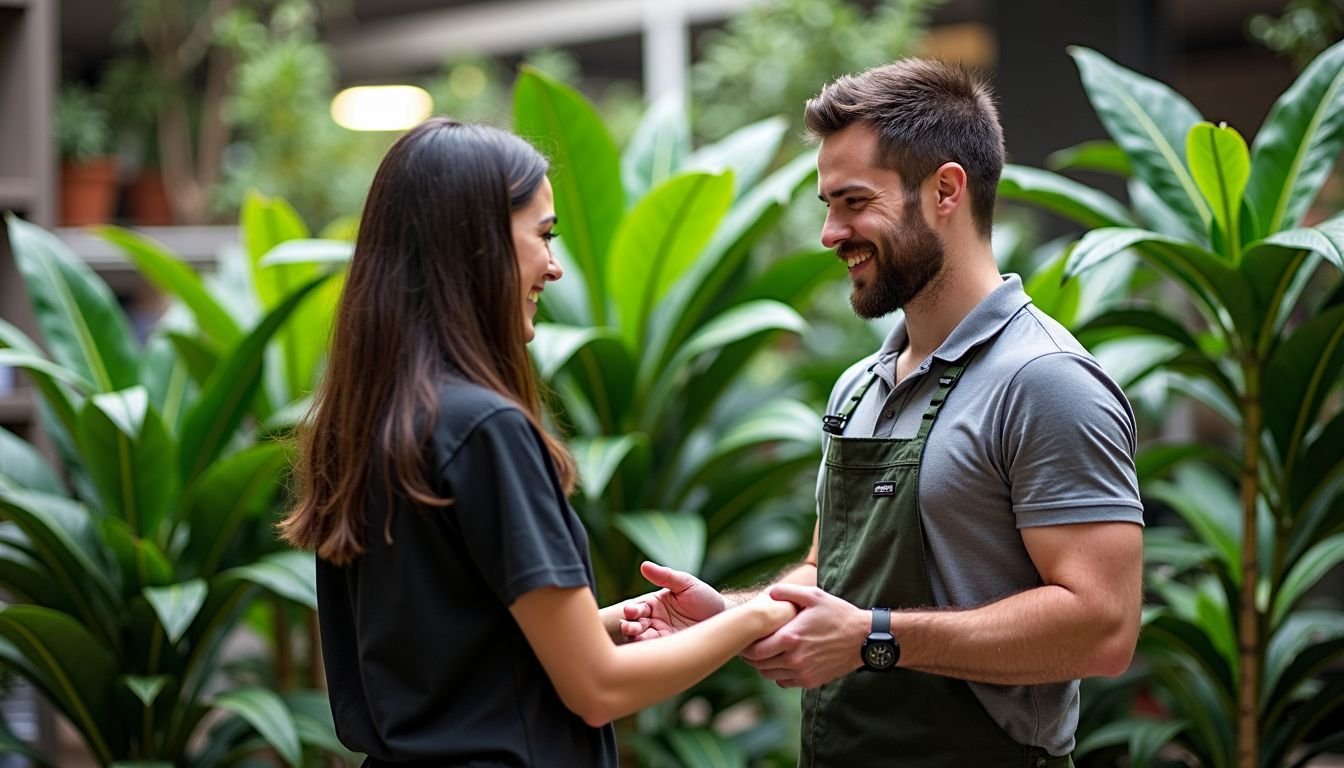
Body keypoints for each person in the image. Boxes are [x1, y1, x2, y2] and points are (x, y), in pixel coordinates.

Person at [620, 59, 1145, 767]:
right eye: (827, 205)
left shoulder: (1044, 380)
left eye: (854, 202)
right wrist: (736, 617)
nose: (831, 233)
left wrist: (877, 637)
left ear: (946, 190)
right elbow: (830, 571)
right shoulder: (858, 388)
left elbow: (1102, 629)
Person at [279, 118, 796, 767]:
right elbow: (598, 689)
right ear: (476, 244)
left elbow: (458, 651)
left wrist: (625, 617)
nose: (553, 268)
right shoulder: (484, 430)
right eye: (543, 236)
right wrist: (758, 616)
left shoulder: (362, 424)